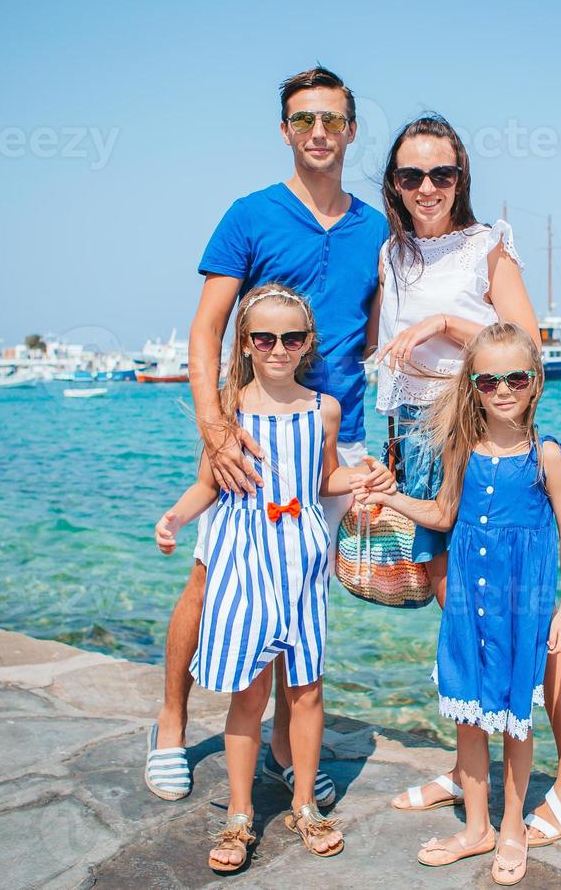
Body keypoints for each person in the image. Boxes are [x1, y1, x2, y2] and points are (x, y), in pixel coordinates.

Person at [147, 67, 388, 807]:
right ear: (286, 130)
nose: (319, 132)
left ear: (351, 129)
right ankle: (170, 722)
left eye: (333, 120)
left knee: (300, 588)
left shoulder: (376, 227)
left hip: (330, 435)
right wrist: (214, 428)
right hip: (245, 438)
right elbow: (205, 328)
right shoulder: (249, 215)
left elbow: (375, 335)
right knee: (208, 577)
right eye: (304, 120)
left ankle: (287, 741)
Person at [372, 115, 561, 847]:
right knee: (461, 611)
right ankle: (469, 765)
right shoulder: (392, 252)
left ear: (461, 177)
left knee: (534, 621)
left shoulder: (486, 245)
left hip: (471, 429)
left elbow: (524, 345)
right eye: (412, 175)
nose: (428, 187)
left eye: (442, 173)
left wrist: (443, 323)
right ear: (394, 184)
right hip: (414, 437)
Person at [158, 284, 394, 872]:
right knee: (250, 693)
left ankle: (305, 804)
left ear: (308, 343)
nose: (279, 348)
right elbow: (209, 484)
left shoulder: (325, 409)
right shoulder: (228, 408)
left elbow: (324, 480)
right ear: (246, 342)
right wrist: (175, 518)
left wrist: (367, 477)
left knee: (306, 689)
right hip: (243, 564)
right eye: (265, 337)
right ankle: (239, 815)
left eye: (292, 338)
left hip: (303, 564)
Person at [356, 323, 561, 885]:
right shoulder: (460, 447)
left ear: (536, 381)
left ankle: (511, 828)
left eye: (515, 378)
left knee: (515, 722)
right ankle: (475, 827)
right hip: (465, 605)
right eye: (487, 380)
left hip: (522, 609)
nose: (502, 389)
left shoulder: (546, 456)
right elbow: (441, 515)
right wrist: (390, 497)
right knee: (469, 719)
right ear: (473, 386)